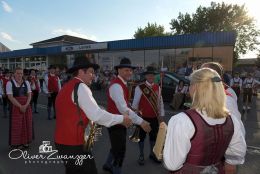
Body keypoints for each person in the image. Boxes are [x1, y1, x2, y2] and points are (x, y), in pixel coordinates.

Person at [55, 56, 133, 174]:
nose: (94, 76)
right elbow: (97, 115)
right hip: (75, 144)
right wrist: (122, 118)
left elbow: (75, 110)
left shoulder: (67, 86)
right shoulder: (81, 87)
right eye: (91, 72)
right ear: (81, 72)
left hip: (62, 142)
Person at [163, 68, 246, 174]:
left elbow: (173, 164)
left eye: (190, 85)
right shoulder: (232, 120)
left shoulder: (182, 120)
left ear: (195, 88)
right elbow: (236, 152)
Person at [103, 58, 151, 174]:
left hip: (118, 121)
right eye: (126, 70)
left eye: (130, 70)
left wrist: (132, 108)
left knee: (116, 146)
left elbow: (124, 104)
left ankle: (107, 164)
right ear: (118, 70)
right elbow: (123, 109)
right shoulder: (116, 86)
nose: (129, 73)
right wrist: (141, 122)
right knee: (120, 150)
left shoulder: (121, 84)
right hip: (116, 122)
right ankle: (116, 170)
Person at [132, 66, 165, 165]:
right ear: (146, 76)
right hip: (142, 118)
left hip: (154, 117)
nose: (151, 76)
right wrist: (135, 117)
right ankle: (141, 155)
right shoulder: (140, 87)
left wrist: (161, 115)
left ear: (154, 76)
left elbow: (160, 102)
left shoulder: (157, 87)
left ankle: (152, 154)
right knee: (141, 138)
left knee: (153, 137)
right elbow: (135, 104)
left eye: (152, 75)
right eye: (149, 74)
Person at [7, 67, 33, 149]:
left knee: (26, 124)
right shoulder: (10, 83)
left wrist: (26, 105)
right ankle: (16, 143)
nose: (19, 75)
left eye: (21, 73)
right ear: (14, 74)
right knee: (17, 125)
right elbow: (10, 97)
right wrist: (20, 106)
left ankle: (25, 142)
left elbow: (29, 95)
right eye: (17, 73)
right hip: (16, 107)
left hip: (26, 106)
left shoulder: (26, 83)